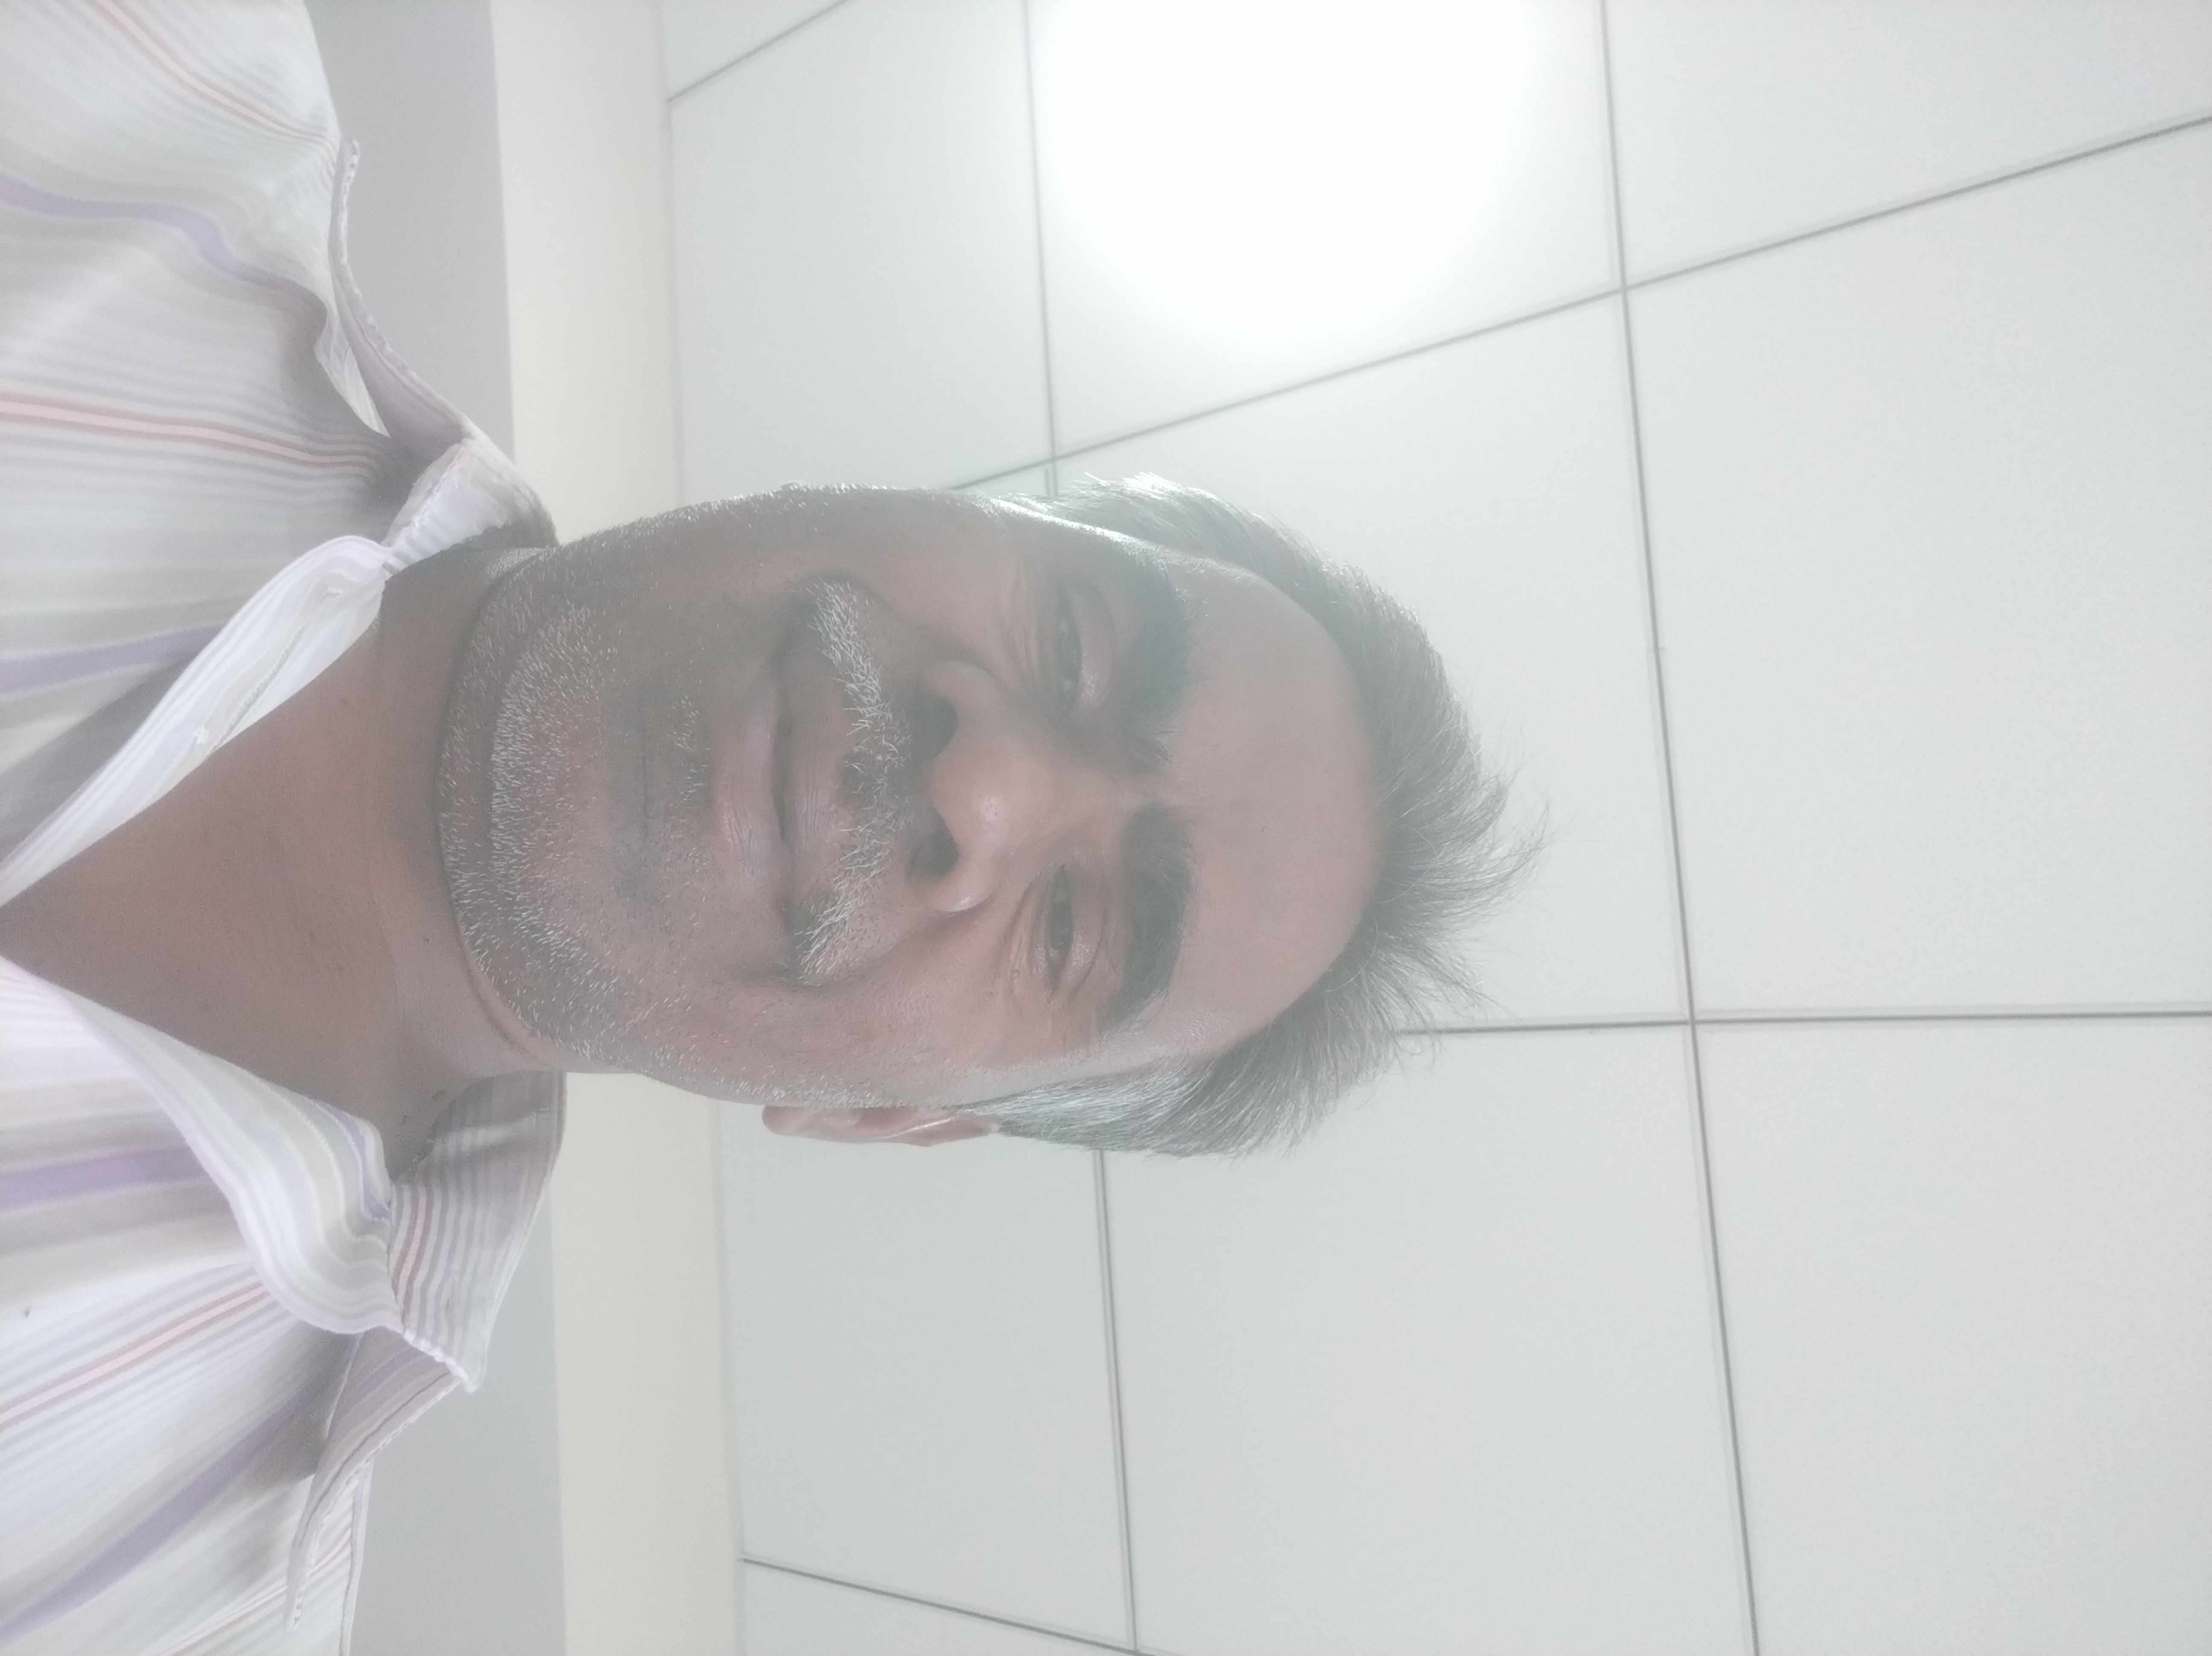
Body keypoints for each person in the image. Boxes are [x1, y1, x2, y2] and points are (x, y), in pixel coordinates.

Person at [0, 2, 1536, 1651]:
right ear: (930, 499)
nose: (986, 788)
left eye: (1075, 929)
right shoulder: (135, 69)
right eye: (1073, 644)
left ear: (887, 1120)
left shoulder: (175, 1608)